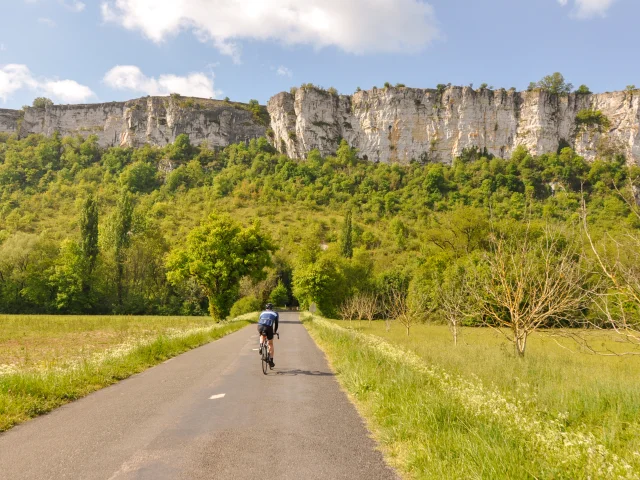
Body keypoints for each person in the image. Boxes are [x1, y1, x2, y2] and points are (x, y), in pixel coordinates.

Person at [257, 303, 279, 368]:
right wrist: (274, 331)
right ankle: (271, 361)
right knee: (270, 344)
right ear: (272, 308)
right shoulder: (275, 313)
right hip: (268, 327)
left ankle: (261, 345)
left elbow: (260, 320)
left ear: (266, 308)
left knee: (262, 335)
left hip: (260, 326)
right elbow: (276, 324)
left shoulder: (262, 313)